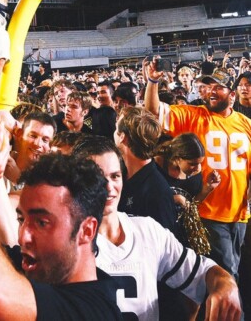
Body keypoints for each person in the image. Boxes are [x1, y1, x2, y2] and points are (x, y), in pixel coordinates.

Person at [0, 123, 121, 320]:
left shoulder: (92, 310)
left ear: (87, 230)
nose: (23, 235)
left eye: (42, 223)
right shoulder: (44, 265)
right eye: (21, 219)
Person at [73, 135, 241, 321]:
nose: (109, 187)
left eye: (115, 176)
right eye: (96, 177)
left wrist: (226, 285)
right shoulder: (64, 240)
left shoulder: (147, 230)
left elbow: (202, 272)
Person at [145, 63, 251, 282]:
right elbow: (153, 111)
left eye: (218, 87)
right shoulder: (193, 116)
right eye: (208, 86)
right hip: (209, 211)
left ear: (231, 94)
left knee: (233, 272)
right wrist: (153, 81)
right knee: (227, 275)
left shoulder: (246, 124)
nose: (210, 91)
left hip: (240, 213)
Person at [114, 107, 177, 231]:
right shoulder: (119, 173)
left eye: (116, 129)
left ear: (122, 137)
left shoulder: (157, 192)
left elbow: (164, 244)